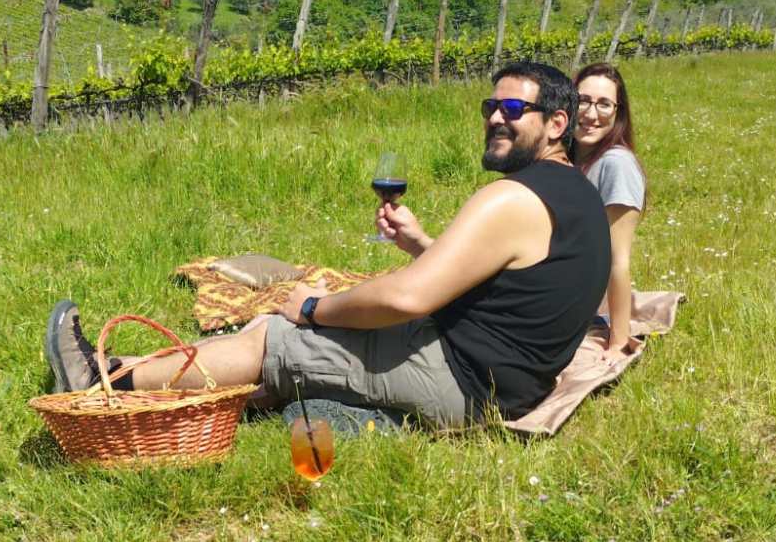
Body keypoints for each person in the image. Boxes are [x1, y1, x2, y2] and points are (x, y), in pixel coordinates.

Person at [43, 61, 610, 427]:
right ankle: (161, 380)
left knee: (277, 336)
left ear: (557, 124)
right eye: (490, 107)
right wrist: (421, 245)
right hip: (505, 381)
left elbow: (408, 300)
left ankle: (102, 383)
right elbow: (510, 284)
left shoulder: (510, 198)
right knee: (326, 327)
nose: (494, 119)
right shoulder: (574, 194)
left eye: (512, 110)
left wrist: (311, 307)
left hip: (462, 381)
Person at [573, 62, 646, 361]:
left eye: (604, 104)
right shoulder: (567, 155)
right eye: (583, 101)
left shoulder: (616, 165)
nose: (591, 114)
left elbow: (618, 260)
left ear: (618, 112)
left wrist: (617, 342)